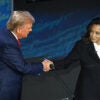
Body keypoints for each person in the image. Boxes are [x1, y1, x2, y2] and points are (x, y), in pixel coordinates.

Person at [0, 11, 53, 100]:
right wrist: (42, 66)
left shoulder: (5, 33)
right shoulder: (9, 43)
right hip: (6, 88)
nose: (31, 30)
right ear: (19, 29)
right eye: (29, 28)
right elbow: (22, 67)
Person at [53, 17, 100, 100]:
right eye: (91, 31)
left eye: (97, 33)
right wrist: (48, 65)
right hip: (88, 93)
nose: (92, 35)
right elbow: (66, 63)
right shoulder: (82, 46)